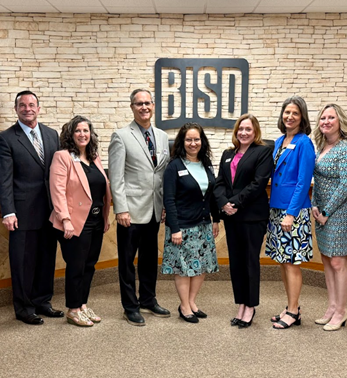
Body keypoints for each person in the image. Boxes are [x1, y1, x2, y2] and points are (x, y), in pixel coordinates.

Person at [0, 90, 62, 325]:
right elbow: (3, 180)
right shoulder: (5, 138)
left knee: (46, 258)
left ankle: (43, 301)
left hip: (50, 211)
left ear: (39, 108)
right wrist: (8, 211)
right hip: (22, 212)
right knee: (23, 262)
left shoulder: (52, 135)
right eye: (22, 105)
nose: (27, 108)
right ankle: (24, 308)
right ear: (16, 109)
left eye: (32, 104)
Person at [108, 88, 171, 326]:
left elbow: (162, 174)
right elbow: (116, 177)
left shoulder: (163, 137)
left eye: (147, 103)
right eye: (139, 104)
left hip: (154, 209)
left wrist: (164, 204)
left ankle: (148, 299)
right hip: (130, 212)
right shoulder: (121, 136)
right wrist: (120, 209)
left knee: (148, 259)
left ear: (153, 105)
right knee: (127, 261)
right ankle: (130, 306)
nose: (144, 107)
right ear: (132, 107)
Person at [49, 116, 111, 327]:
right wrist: (65, 219)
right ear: (70, 134)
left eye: (86, 130)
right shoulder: (63, 156)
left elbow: (101, 189)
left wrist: (105, 217)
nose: (82, 134)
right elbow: (57, 190)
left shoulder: (94, 157)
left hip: (95, 220)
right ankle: (73, 309)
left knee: (89, 265)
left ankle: (83, 305)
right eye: (78, 131)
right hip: (74, 222)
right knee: (76, 265)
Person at [214, 114, 273, 329]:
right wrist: (223, 203)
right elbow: (219, 182)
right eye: (240, 129)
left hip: (252, 215)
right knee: (236, 262)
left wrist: (235, 202)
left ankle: (250, 306)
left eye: (248, 129)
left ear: (255, 131)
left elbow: (259, 183)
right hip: (232, 216)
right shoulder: (228, 154)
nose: (244, 133)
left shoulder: (263, 152)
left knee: (249, 261)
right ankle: (241, 303)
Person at [265, 96, 316, 330]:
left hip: (292, 212)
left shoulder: (305, 143)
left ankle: (294, 311)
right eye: (287, 112)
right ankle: (290, 306)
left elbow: (303, 181)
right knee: (283, 261)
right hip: (276, 208)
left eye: (295, 113)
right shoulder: (279, 141)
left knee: (292, 263)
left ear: (302, 117)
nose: (290, 117)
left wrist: (291, 214)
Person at [161, 123, 220, 323]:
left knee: (201, 266)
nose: (193, 143)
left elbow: (211, 196)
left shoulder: (207, 163)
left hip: (203, 224)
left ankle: (192, 302)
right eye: (188, 140)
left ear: (202, 141)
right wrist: (174, 229)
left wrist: (216, 219)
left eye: (196, 139)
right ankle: (184, 306)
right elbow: (168, 200)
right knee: (183, 268)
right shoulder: (174, 166)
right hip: (182, 226)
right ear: (182, 142)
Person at [311, 104, 347, 331]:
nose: (326, 121)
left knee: (339, 262)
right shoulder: (320, 147)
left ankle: (341, 310)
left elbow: (346, 185)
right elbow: (317, 181)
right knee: (327, 260)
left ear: (340, 121)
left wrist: (327, 212)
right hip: (320, 212)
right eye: (323, 118)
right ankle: (331, 307)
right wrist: (314, 206)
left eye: (331, 117)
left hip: (339, 213)